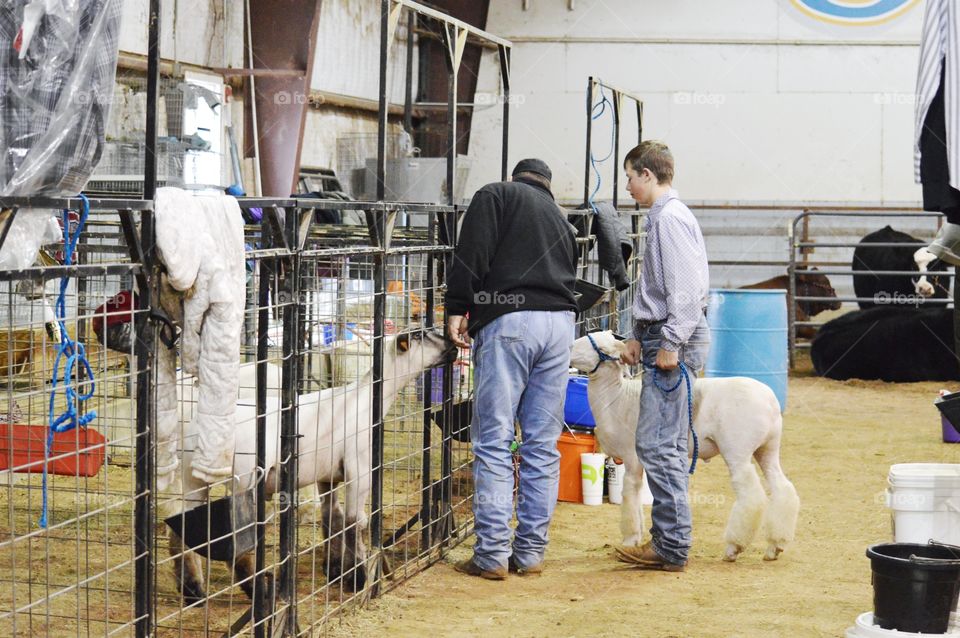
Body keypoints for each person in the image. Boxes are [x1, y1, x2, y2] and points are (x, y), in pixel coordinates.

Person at [446, 158, 578, 580]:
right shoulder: (562, 219)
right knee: (541, 444)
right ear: (547, 185)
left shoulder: (495, 195)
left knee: (495, 440)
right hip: (560, 327)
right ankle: (531, 554)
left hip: (511, 320)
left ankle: (491, 556)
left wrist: (457, 306)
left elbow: (472, 254)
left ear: (515, 177)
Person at [614, 141, 710, 572]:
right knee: (665, 442)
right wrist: (640, 334)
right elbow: (660, 287)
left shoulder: (669, 219)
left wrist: (670, 341)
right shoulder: (667, 217)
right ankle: (671, 541)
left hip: (673, 339)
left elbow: (685, 290)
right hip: (661, 335)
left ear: (648, 175)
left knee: (657, 443)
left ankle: (671, 544)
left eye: (631, 176)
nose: (629, 185)